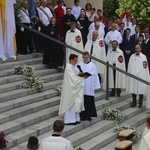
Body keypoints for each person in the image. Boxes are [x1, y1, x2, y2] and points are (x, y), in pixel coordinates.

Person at [59, 54, 85, 125]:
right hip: (70, 90)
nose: (76, 62)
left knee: (75, 103)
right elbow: (73, 79)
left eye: (77, 60)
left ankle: (75, 119)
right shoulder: (68, 67)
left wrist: (80, 75)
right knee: (70, 104)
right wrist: (81, 77)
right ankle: (69, 120)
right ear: (71, 60)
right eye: (75, 60)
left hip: (73, 89)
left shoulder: (72, 67)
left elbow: (74, 76)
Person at [76, 51, 101, 121]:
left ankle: (89, 115)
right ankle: (83, 115)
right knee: (82, 100)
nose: (85, 59)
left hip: (89, 86)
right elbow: (76, 73)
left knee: (89, 100)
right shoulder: (79, 65)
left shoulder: (92, 65)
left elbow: (95, 74)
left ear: (89, 57)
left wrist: (89, 75)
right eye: (84, 57)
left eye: (86, 57)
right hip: (82, 86)